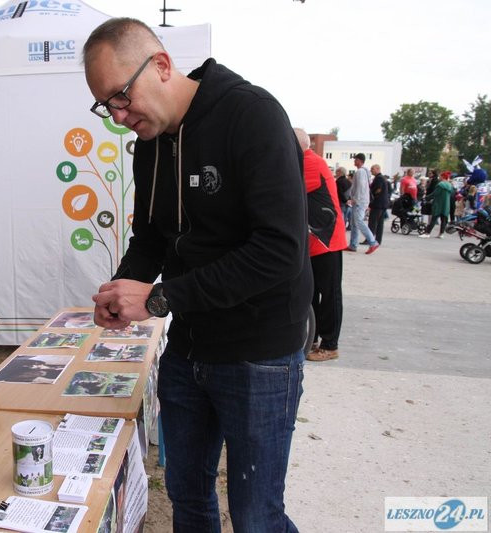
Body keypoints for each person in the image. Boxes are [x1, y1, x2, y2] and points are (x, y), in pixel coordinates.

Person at [83, 18, 312, 532]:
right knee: (188, 498)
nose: (119, 117)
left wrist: (159, 298)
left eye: (122, 97)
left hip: (259, 353)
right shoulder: (151, 141)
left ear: (161, 65)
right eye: (107, 106)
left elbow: (279, 251)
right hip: (188, 348)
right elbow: (152, 237)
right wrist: (121, 289)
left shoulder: (252, 115)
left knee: (256, 515)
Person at [294, 128, 347, 362]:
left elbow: (286, 187)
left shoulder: (309, 163)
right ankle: (312, 339)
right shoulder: (301, 160)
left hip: (327, 241)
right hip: (313, 241)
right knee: (312, 292)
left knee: (330, 293)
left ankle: (330, 344)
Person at [346, 153, 380, 253]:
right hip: (362, 200)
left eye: (355, 159)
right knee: (354, 223)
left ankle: (372, 242)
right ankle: (353, 244)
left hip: (359, 201)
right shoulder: (365, 172)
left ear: (360, 161)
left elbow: (361, 186)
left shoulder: (360, 172)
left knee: (358, 221)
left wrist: (355, 199)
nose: (354, 161)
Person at [419, 171, 455, 238]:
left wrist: (426, 198)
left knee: (434, 219)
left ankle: (427, 233)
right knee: (444, 220)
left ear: (443, 177)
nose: (439, 177)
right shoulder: (450, 186)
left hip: (438, 204)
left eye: (441, 176)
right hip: (446, 205)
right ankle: (441, 234)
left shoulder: (440, 185)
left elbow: (435, 194)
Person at [368, 164, 390, 245]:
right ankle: (378, 240)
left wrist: (372, 196)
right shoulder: (381, 178)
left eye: (372, 169)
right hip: (382, 204)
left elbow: (378, 190)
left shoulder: (379, 178)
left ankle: (370, 239)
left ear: (378, 169)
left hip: (378, 204)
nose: (371, 170)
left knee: (373, 222)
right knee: (379, 223)